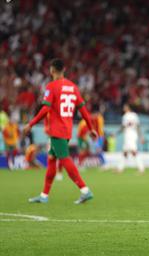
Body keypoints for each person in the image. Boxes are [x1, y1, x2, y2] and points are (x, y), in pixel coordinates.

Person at [23, 58, 97, 204]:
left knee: (64, 159)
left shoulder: (51, 86)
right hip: (67, 129)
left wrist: (31, 123)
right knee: (52, 160)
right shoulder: (73, 87)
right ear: (64, 70)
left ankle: (85, 190)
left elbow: (45, 109)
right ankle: (44, 196)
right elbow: (83, 110)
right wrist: (91, 128)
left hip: (57, 130)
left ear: (52, 70)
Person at [116, 104, 145, 174]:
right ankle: (120, 168)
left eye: (124, 107)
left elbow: (123, 127)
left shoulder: (125, 116)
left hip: (129, 134)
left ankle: (141, 168)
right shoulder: (135, 115)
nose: (123, 109)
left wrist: (116, 133)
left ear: (127, 108)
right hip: (134, 134)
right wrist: (141, 136)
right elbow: (138, 126)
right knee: (125, 152)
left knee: (133, 151)